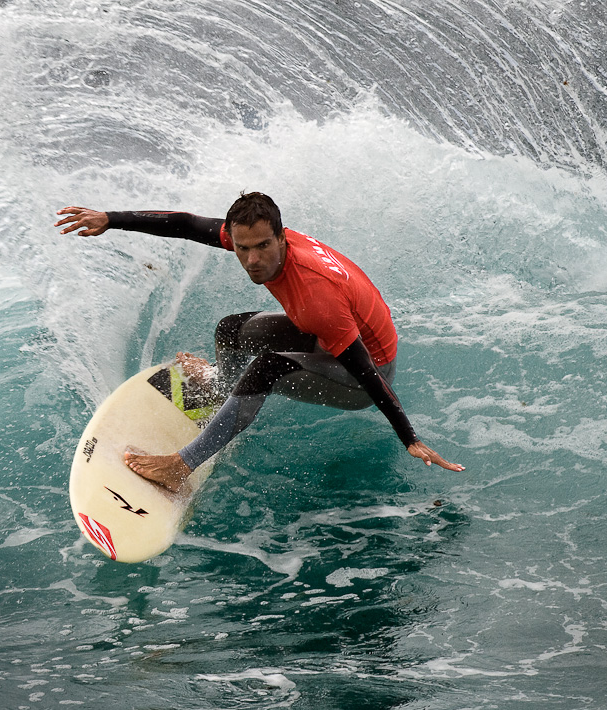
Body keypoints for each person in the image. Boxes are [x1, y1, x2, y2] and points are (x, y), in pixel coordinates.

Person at [55, 192, 464, 492]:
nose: (253, 260)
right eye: (243, 248)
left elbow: (367, 374)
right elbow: (183, 223)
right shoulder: (252, 238)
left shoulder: (317, 293)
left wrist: (409, 437)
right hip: (324, 333)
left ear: (282, 238)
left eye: (263, 247)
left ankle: (184, 465)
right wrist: (110, 218)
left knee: (268, 365)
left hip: (363, 370)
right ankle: (224, 392)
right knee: (231, 330)